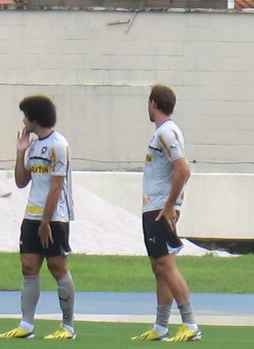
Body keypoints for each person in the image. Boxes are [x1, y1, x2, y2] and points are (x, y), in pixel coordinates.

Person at [0, 95, 76, 340]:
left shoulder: (59, 145)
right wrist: (20, 152)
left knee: (57, 267)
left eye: (25, 115)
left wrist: (45, 222)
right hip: (31, 215)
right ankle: (26, 325)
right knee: (29, 267)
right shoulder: (34, 146)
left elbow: (56, 186)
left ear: (35, 118)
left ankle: (68, 326)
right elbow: (22, 182)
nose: (23, 120)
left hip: (54, 218)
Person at [131, 84, 201, 342]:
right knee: (159, 267)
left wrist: (170, 204)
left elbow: (183, 169)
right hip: (155, 206)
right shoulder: (164, 132)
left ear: (153, 104)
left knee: (166, 265)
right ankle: (161, 326)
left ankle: (190, 324)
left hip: (160, 208)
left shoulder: (166, 132)